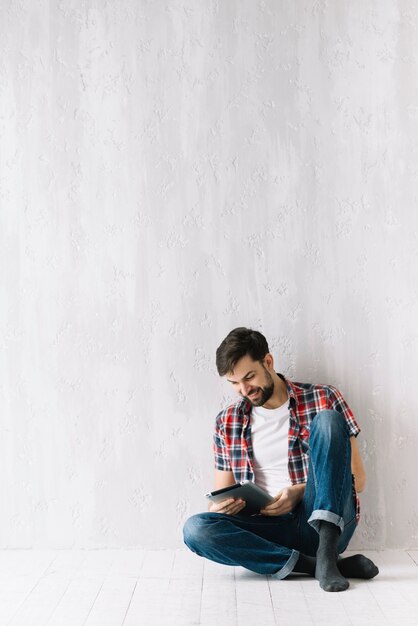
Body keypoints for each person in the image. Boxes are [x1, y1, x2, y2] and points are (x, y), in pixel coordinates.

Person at [183, 327, 379, 592]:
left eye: (249, 377)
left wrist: (300, 493)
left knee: (328, 419)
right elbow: (221, 490)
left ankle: (326, 551)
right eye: (234, 383)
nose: (243, 389)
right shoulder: (226, 421)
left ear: (268, 362)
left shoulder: (324, 397)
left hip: (320, 523)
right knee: (196, 529)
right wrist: (220, 507)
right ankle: (317, 565)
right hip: (268, 528)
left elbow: (359, 479)